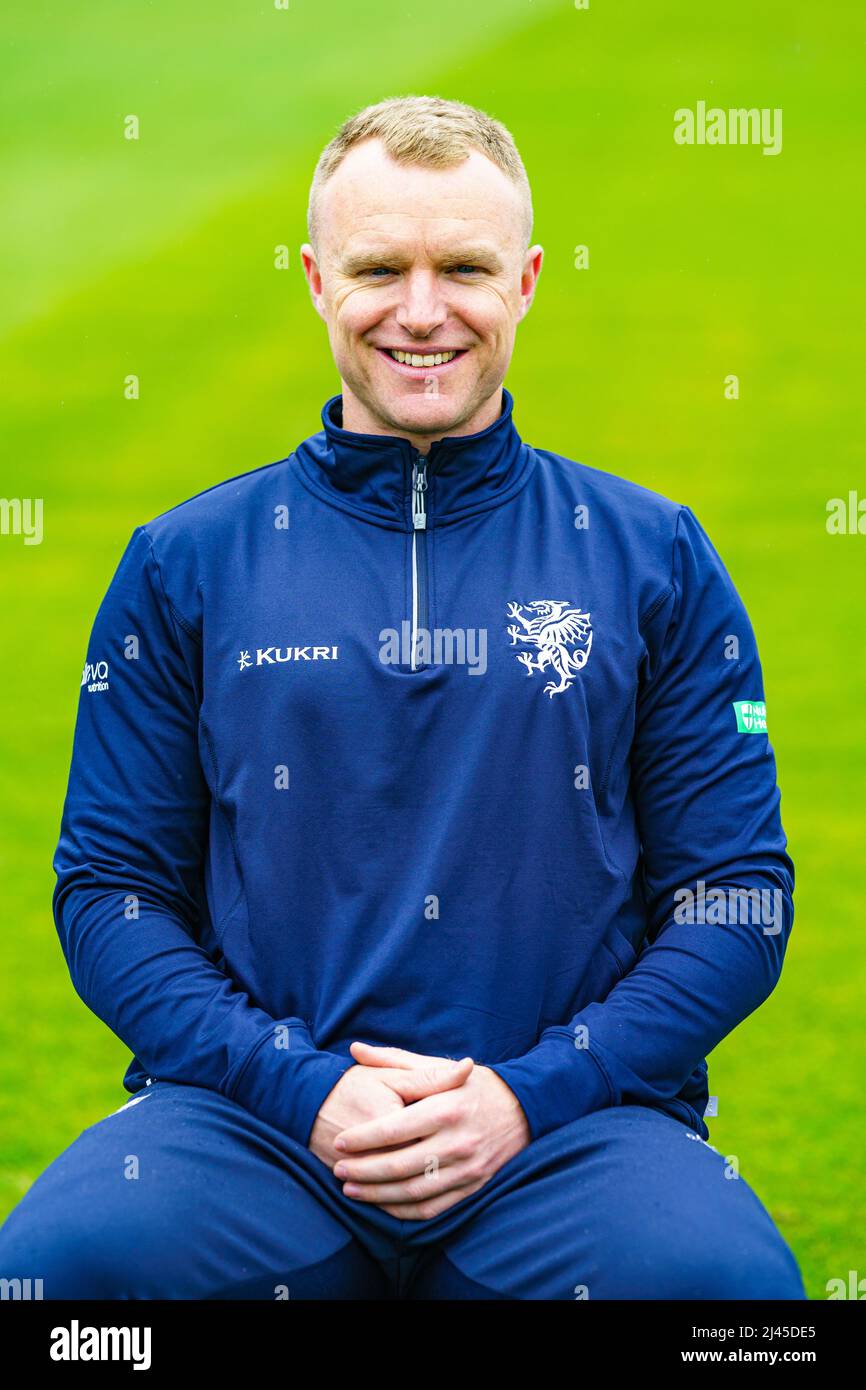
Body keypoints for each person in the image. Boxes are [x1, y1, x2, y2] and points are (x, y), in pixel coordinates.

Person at [0, 95, 806, 1300]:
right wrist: (301, 1087)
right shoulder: (186, 561)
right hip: (250, 1129)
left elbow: (736, 899)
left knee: (732, 1305)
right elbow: (110, 895)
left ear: (526, 281)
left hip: (573, 1132)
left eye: (463, 269)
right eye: (379, 267)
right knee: (54, 1281)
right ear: (317, 280)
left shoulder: (654, 555)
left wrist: (527, 1095)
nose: (420, 312)